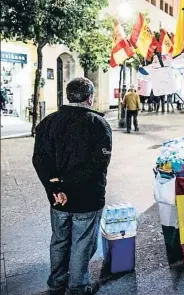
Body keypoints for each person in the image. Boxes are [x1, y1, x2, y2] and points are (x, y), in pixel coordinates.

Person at [32, 77, 112, 295]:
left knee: (59, 240)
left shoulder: (48, 123)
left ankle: (57, 283)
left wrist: (55, 188)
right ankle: (78, 287)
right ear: (89, 98)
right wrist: (63, 184)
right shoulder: (97, 124)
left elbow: (39, 159)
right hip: (87, 197)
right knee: (82, 242)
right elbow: (98, 164)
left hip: (58, 198)